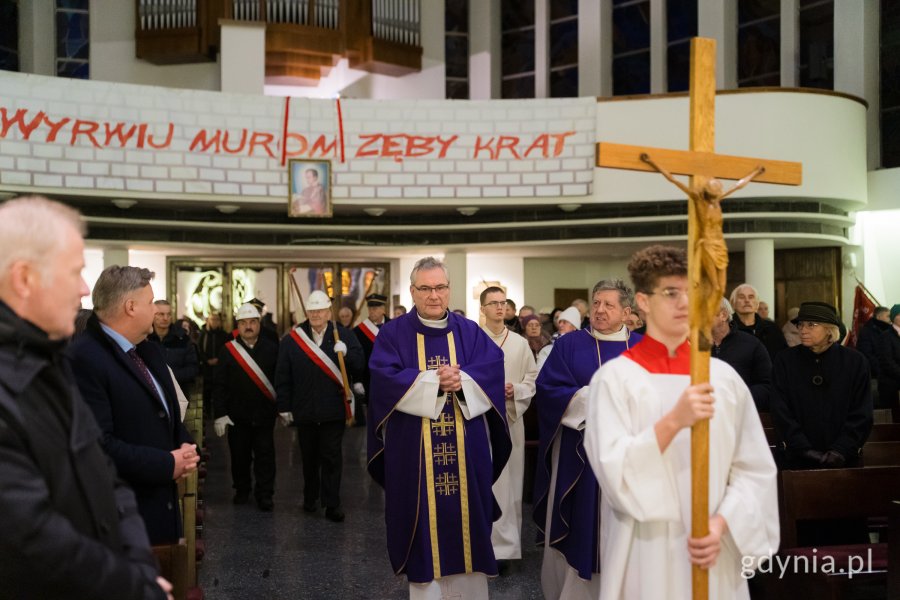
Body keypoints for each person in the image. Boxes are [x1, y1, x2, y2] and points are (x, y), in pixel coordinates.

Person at [0, 196, 173, 599]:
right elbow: (30, 535)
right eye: (74, 272)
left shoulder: (51, 359)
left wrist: (140, 563)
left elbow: (103, 473)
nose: (83, 289)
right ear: (25, 278)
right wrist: (133, 585)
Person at [584, 244, 778, 600]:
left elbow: (755, 470)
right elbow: (612, 469)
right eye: (671, 293)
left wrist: (725, 524)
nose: (685, 304)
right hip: (647, 547)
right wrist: (674, 420)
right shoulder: (615, 379)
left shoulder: (723, 379)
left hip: (713, 548)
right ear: (642, 301)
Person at [367, 257, 511, 599]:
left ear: (449, 290)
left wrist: (462, 380)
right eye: (426, 288)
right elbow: (383, 378)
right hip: (414, 450)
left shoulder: (469, 331)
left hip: (466, 446)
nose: (434, 295)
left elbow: (491, 367)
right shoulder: (393, 333)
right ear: (413, 292)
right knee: (422, 528)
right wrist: (432, 381)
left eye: (441, 287)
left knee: (468, 526)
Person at [71, 266, 200, 545]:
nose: (155, 310)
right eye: (151, 301)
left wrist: (184, 445)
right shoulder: (86, 358)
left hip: (159, 505)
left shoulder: (147, 350)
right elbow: (97, 445)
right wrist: (167, 463)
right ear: (131, 307)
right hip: (123, 518)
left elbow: (164, 415)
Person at [533, 278, 642, 599]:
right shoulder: (568, 345)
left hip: (629, 456)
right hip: (579, 454)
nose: (599, 310)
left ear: (626, 312)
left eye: (608, 305)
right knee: (580, 525)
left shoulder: (642, 348)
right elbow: (549, 391)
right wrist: (596, 398)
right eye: (596, 303)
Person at [275, 290, 364, 522]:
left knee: (332, 457)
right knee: (309, 457)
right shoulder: (292, 340)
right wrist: (284, 406)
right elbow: (282, 375)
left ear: (328, 312)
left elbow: (360, 365)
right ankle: (310, 496)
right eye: (312, 311)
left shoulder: (343, 335)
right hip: (304, 410)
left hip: (333, 408)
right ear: (307, 312)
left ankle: (332, 503)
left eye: (320, 310)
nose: (315, 314)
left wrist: (346, 354)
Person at [771, 302, 872, 469]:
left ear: (829, 329)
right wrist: (803, 448)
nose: (802, 330)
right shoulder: (785, 361)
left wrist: (841, 449)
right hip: (796, 459)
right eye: (800, 324)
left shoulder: (855, 362)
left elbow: (862, 412)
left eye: (811, 325)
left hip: (844, 460)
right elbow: (780, 409)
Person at [480, 286, 537, 568]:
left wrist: (515, 390)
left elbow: (533, 378)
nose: (500, 308)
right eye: (493, 303)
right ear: (483, 309)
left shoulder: (519, 343)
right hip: (479, 420)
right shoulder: (474, 341)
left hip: (511, 420)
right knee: (485, 481)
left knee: (511, 480)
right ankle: (482, 543)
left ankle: (506, 548)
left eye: (503, 303)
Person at [213, 303, 279, 511]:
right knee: (239, 456)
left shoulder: (272, 349)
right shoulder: (227, 351)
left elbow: (280, 381)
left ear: (259, 324)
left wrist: (283, 407)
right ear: (237, 326)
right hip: (237, 415)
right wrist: (220, 414)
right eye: (243, 323)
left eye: (252, 322)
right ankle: (242, 490)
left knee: (265, 456)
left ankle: (265, 494)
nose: (248, 326)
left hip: (264, 415)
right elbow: (219, 385)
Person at [711, 298, 773, 411]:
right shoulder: (693, 346)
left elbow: (767, 387)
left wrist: (737, 397)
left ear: (723, 315)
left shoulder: (751, 344)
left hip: (741, 416)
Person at [352, 293, 390, 428]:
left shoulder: (394, 327)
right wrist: (357, 379)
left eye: (376, 307)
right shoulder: (358, 331)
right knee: (374, 419)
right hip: (369, 379)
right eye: (370, 308)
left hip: (391, 378)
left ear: (383, 309)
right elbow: (356, 357)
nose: (372, 311)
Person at [148, 299, 199, 396]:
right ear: (152, 314)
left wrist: (170, 376)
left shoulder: (182, 339)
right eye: (161, 314)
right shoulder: (144, 338)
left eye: (169, 314)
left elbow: (193, 368)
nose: (165, 318)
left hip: (177, 394)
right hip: (152, 394)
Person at [729, 284, 788, 360]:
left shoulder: (772, 329)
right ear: (733, 304)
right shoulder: (726, 329)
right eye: (741, 297)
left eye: (751, 297)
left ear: (757, 304)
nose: (747, 300)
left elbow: (783, 356)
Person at [198, 311, 227, 414]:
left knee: (219, 390)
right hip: (207, 368)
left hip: (220, 367)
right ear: (208, 321)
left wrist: (219, 359)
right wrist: (207, 360)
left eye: (216, 319)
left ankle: (219, 412)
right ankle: (208, 412)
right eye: (212, 319)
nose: (214, 322)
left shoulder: (224, 335)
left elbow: (226, 350)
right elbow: (199, 350)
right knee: (207, 391)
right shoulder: (203, 334)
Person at [536, 306, 581, 372]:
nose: (560, 325)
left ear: (574, 327)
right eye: (560, 322)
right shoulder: (548, 349)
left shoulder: (583, 347)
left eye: (564, 322)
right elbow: (540, 372)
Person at [857, 305, 891, 380]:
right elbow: (866, 354)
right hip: (873, 376)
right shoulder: (866, 332)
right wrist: (881, 370)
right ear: (879, 317)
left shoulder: (889, 330)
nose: (890, 319)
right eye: (888, 316)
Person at [877, 304, 900, 409]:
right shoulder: (885, 336)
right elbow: (887, 361)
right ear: (893, 317)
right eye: (899, 314)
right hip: (891, 385)